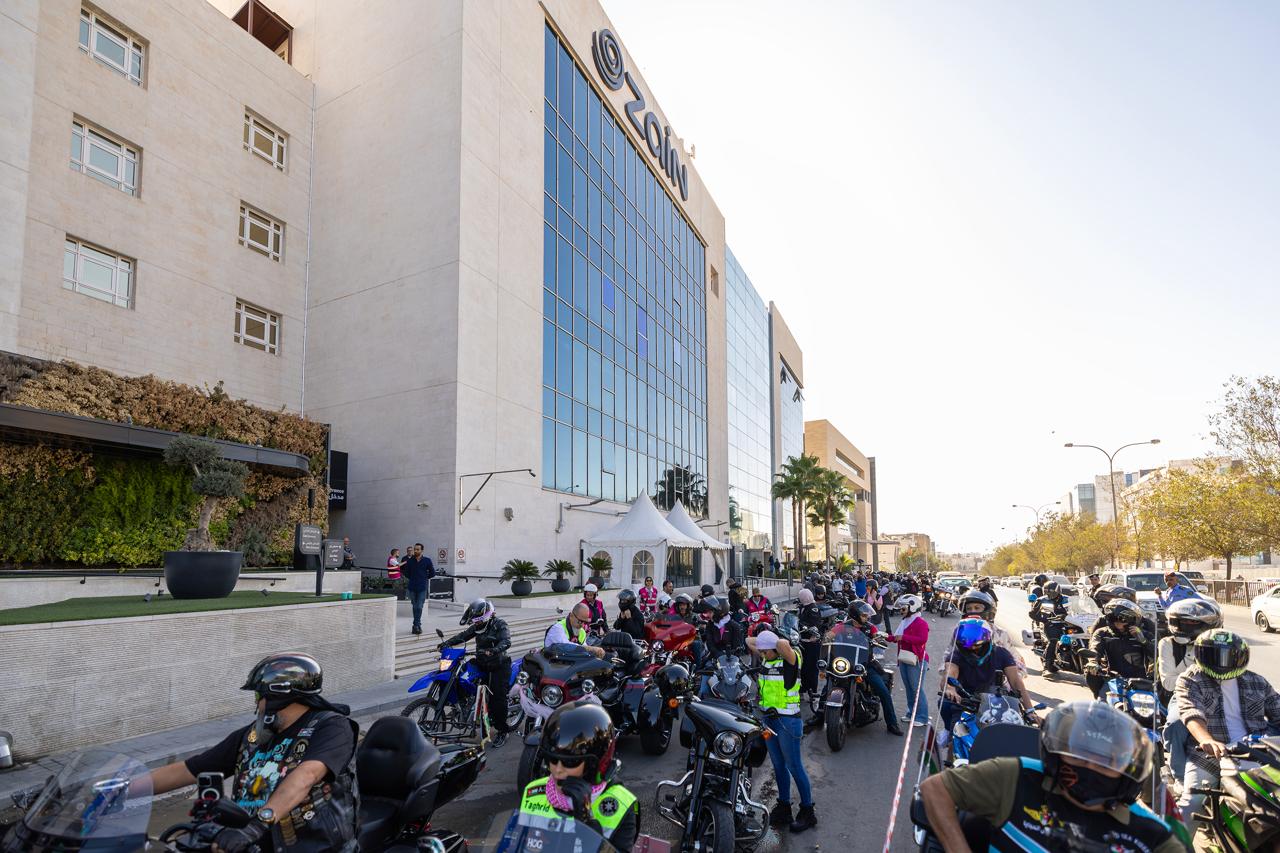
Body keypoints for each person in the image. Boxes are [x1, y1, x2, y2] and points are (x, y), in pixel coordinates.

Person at [148, 653, 358, 852]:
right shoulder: (252, 736)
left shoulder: (332, 728)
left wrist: (258, 825)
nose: (257, 703)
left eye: (258, 695)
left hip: (312, 846)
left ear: (277, 696)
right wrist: (130, 787)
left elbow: (307, 775)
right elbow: (190, 769)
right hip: (246, 844)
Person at [920, 701, 1182, 853]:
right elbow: (936, 788)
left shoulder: (1152, 835)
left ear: (1127, 772)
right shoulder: (1017, 776)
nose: (1091, 767)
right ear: (1058, 755)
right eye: (1080, 756)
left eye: (1106, 762)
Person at [1174, 630, 1280, 824]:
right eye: (1215, 656)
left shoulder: (1257, 681)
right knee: (1192, 803)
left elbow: (1277, 710)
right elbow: (1191, 712)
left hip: (1257, 752)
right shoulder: (1190, 680)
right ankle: (1172, 840)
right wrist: (1207, 740)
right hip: (1211, 756)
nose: (1222, 662)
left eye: (1228, 656)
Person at [519, 700, 638, 850]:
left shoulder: (620, 805)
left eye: (570, 762)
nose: (558, 770)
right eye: (552, 759)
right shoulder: (533, 792)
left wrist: (587, 821)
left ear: (593, 765)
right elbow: (518, 843)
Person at [745, 629, 817, 833]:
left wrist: (773, 640)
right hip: (769, 719)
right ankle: (784, 806)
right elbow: (748, 640)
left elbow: (783, 645)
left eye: (766, 651)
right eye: (762, 652)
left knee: (794, 766)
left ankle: (807, 811)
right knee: (778, 765)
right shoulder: (768, 659)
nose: (762, 655)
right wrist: (765, 642)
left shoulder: (791, 659)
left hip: (788, 721)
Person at [1158, 597, 1222, 781]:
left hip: (1219, 692)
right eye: (1182, 621)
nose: (1186, 626)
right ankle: (1180, 777)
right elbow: (1168, 683)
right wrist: (1195, 670)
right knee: (1176, 725)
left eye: (1193, 622)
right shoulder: (1167, 644)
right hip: (1183, 694)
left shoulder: (1218, 642)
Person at [941, 619, 1036, 735]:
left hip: (996, 701)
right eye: (967, 646)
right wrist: (950, 688)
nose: (972, 649)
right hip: (965, 702)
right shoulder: (956, 656)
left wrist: (1030, 711)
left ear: (988, 641)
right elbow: (950, 673)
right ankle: (948, 735)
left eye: (977, 646)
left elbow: (1016, 682)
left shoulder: (1002, 654)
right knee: (957, 734)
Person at [441, 598, 513, 735]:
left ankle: (502, 731)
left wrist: (494, 650)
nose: (476, 623)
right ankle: (464, 705)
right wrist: (446, 643)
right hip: (482, 662)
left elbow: (506, 641)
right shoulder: (477, 627)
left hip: (499, 664)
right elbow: (463, 636)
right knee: (459, 676)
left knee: (498, 697)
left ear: (487, 616)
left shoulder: (500, 624)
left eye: (478, 621)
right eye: (475, 621)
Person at [1087, 599, 1154, 699]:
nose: (1118, 624)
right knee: (1101, 705)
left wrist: (1144, 641)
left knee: (1150, 707)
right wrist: (1093, 662)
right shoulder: (1102, 633)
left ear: (1132, 620)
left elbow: (1159, 654)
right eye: (1113, 619)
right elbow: (1094, 648)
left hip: (1140, 681)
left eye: (1122, 620)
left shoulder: (1145, 634)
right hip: (1111, 678)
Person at [884, 593, 930, 726]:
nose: (901, 610)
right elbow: (896, 638)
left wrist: (904, 637)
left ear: (912, 607)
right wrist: (883, 636)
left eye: (903, 608)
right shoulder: (905, 621)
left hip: (917, 659)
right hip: (905, 658)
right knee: (909, 688)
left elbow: (922, 639)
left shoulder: (921, 622)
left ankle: (922, 717)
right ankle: (911, 713)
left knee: (916, 689)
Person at [1030, 581, 1070, 674]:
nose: (1049, 593)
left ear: (1057, 590)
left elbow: (1077, 610)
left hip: (1067, 623)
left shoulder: (1067, 599)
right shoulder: (1042, 600)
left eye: (1051, 591)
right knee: (1054, 640)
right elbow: (1032, 614)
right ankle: (1047, 663)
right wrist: (1045, 620)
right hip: (1050, 624)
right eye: (1046, 591)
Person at [796, 588, 823, 710]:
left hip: (812, 642)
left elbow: (815, 624)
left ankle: (813, 691)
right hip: (803, 641)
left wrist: (812, 633)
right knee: (802, 667)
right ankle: (802, 689)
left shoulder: (813, 608)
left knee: (811, 668)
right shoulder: (804, 607)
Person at [400, 543, 435, 635]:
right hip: (412, 587)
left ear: (422, 550)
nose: (415, 551)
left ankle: (416, 625)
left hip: (422, 587)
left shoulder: (427, 560)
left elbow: (432, 573)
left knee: (419, 606)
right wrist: (413, 578)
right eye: (415, 549)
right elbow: (406, 573)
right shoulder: (410, 561)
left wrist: (424, 578)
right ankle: (416, 626)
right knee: (415, 606)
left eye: (417, 549)